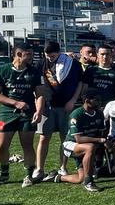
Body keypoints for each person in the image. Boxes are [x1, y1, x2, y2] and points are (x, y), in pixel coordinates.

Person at [0, 43, 45, 187]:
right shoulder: (2, 70)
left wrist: (39, 111)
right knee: (2, 146)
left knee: (27, 144)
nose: (32, 57)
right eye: (29, 54)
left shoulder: (34, 72)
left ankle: (28, 175)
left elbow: (40, 94)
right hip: (6, 113)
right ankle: (3, 174)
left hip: (27, 113)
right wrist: (15, 103)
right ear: (19, 55)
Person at [35, 41, 83, 180]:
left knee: (65, 138)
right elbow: (37, 86)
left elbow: (79, 83)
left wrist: (73, 100)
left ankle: (63, 166)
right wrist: (39, 105)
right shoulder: (41, 64)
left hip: (66, 105)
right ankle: (39, 169)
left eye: (53, 55)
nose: (50, 58)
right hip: (47, 105)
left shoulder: (72, 63)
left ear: (59, 52)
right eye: (47, 55)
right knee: (44, 137)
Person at [46, 90, 104, 191]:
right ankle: (89, 182)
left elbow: (101, 133)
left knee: (79, 178)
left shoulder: (99, 114)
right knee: (90, 147)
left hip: (86, 146)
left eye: (100, 100)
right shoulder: (76, 114)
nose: (99, 102)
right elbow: (79, 139)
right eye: (96, 100)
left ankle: (56, 177)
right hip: (71, 144)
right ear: (87, 101)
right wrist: (99, 140)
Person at [81, 44, 115, 108]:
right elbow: (84, 91)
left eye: (107, 54)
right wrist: (88, 106)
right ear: (97, 54)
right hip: (92, 107)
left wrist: (112, 108)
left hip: (110, 108)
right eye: (102, 54)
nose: (105, 57)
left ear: (111, 55)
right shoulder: (91, 70)